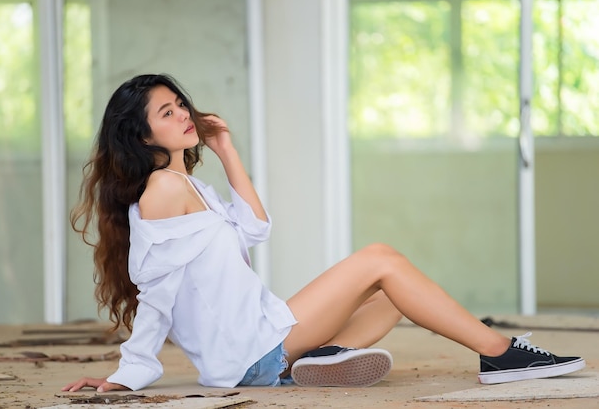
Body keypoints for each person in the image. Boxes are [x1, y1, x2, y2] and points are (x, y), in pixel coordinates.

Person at [63, 73, 585, 393]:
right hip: (248, 351)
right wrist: (126, 374)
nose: (182, 114)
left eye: (180, 104)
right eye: (166, 112)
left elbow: (256, 228)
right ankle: (501, 353)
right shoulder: (161, 190)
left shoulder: (187, 185)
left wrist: (227, 151)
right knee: (381, 259)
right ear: (142, 134)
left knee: (393, 297)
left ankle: (321, 358)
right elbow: (156, 293)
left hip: (259, 337)